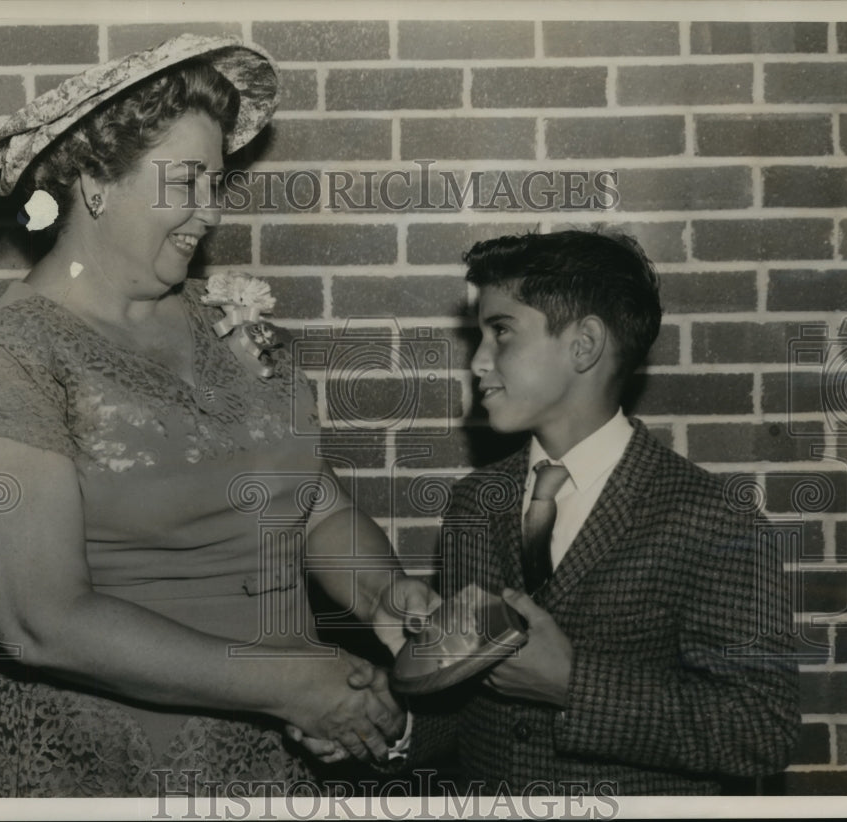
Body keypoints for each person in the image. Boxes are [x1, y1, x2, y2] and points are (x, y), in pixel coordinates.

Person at [0, 34, 436, 798]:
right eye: (187, 182)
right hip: (108, 772)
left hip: (279, 757)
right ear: (97, 181)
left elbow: (312, 508)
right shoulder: (10, 351)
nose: (211, 211)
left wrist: (387, 601)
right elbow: (42, 620)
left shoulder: (230, 320)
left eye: (218, 184)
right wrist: (292, 684)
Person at [300, 228, 801, 795]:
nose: (478, 361)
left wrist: (571, 684)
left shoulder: (714, 519)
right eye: (478, 336)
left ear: (584, 344)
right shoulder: (473, 506)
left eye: (501, 332)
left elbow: (762, 729)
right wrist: (392, 726)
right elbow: (471, 709)